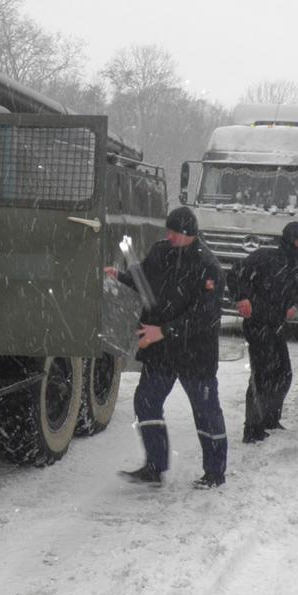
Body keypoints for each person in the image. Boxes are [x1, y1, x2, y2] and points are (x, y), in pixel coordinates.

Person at [105, 206, 229, 487]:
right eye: (168, 231)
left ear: (189, 233)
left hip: (195, 353)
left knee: (206, 412)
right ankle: (154, 465)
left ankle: (214, 472)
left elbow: (205, 315)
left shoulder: (208, 266)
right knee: (146, 403)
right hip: (161, 352)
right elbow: (145, 279)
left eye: (174, 232)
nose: (169, 236)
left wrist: (163, 330)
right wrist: (121, 276)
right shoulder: (161, 251)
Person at [235, 220, 298, 442]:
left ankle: (270, 419)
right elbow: (237, 273)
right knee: (262, 376)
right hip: (257, 324)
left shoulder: (297, 272)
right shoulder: (264, 257)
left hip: (276, 326)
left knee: (283, 374)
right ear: (289, 239)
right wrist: (242, 297)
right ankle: (252, 428)